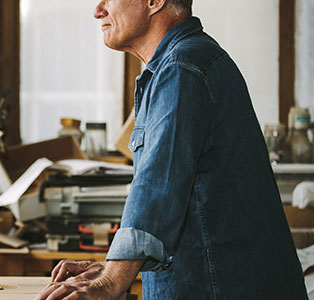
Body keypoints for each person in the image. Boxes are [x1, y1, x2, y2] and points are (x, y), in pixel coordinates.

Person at [36, 0, 308, 299]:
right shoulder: (183, 62)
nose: (98, 10)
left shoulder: (183, 68)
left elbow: (157, 186)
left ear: (154, 2)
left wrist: (110, 281)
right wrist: (109, 267)